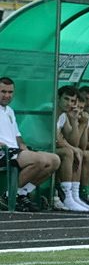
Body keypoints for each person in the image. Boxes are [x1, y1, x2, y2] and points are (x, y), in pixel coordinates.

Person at [0, 77, 60, 212]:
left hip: (14, 151)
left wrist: (24, 147)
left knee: (54, 160)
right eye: (3, 92)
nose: (7, 95)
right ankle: (8, 196)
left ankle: (21, 193)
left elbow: (17, 135)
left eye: (10, 92)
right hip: (2, 151)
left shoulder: (9, 110)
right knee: (39, 160)